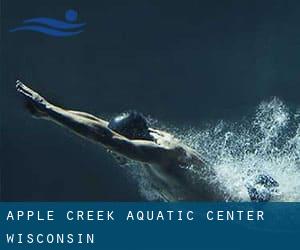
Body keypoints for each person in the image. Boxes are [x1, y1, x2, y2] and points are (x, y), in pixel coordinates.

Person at [15, 80, 277, 201]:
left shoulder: (161, 154)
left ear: (132, 140)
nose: (111, 151)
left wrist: (48, 109)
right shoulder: (146, 139)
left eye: (115, 146)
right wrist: (51, 113)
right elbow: (99, 126)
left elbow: (105, 137)